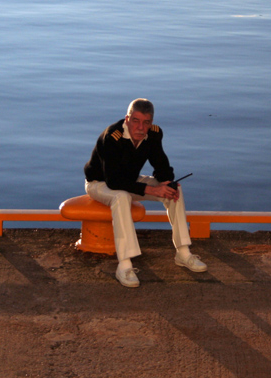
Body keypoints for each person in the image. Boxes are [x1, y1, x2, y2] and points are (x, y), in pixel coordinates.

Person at [84, 98, 207, 287]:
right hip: (100, 183)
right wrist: (151, 189)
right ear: (127, 119)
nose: (141, 127)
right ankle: (124, 266)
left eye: (146, 122)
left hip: (131, 181)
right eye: (136, 121)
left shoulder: (154, 135)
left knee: (175, 192)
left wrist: (167, 183)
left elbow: (161, 166)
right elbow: (114, 181)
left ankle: (183, 253)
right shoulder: (112, 136)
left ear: (151, 123)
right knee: (122, 196)